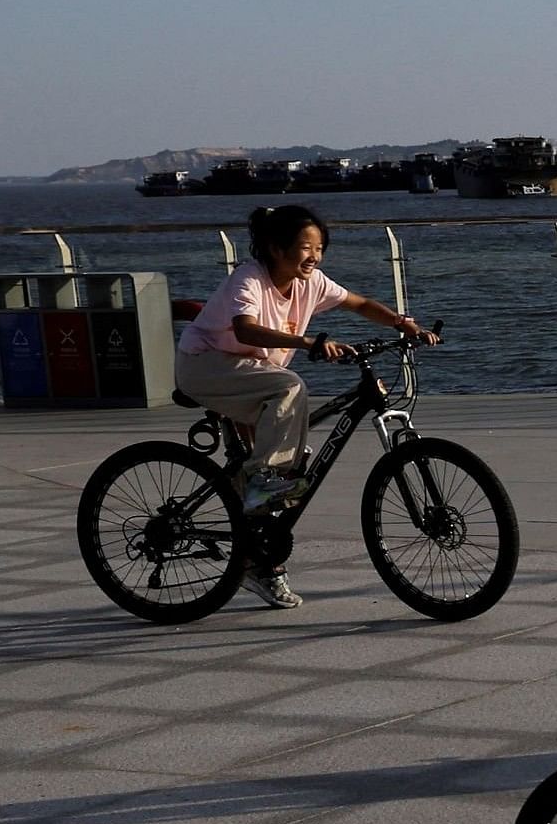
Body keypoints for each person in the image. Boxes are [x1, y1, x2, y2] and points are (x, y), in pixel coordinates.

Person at [173, 203, 440, 608]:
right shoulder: (249, 278)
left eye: (320, 249)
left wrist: (403, 324)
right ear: (275, 247)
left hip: (252, 374)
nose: (313, 256)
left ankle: (256, 561)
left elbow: (358, 303)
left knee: (291, 460)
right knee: (289, 389)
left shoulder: (310, 282)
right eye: (304, 247)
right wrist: (307, 342)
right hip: (205, 366)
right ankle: (262, 481)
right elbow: (244, 328)